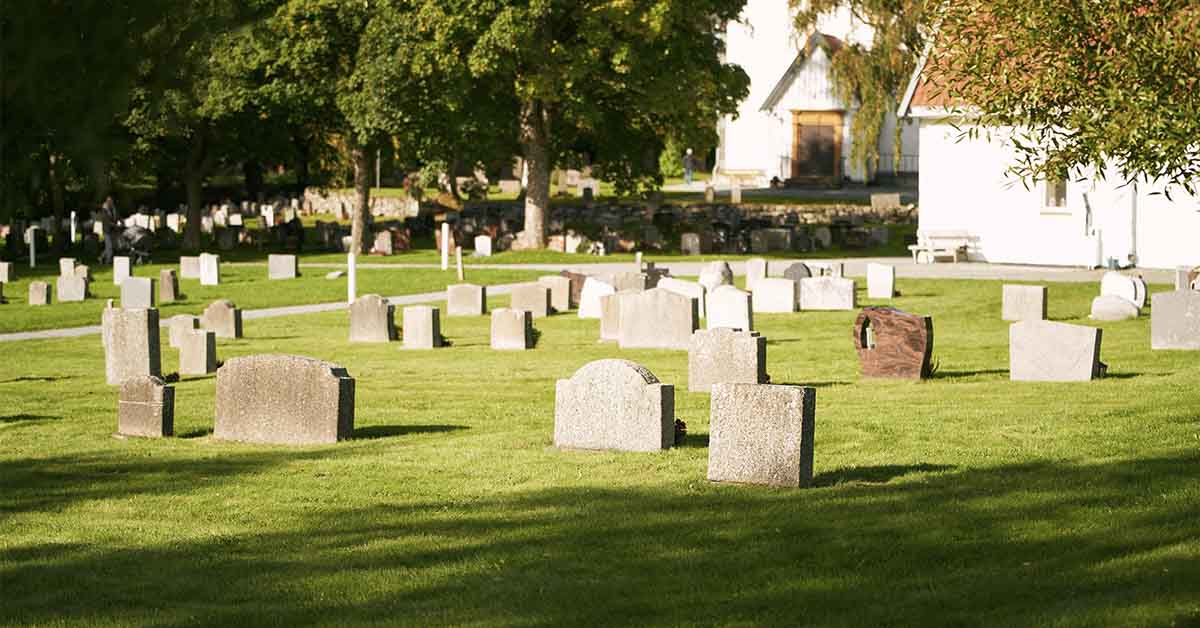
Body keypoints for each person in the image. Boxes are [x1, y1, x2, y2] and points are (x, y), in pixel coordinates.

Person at [99, 196, 119, 264]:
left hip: (113, 230)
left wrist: (121, 222)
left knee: (111, 246)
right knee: (109, 247)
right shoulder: (104, 210)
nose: (110, 202)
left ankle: (101, 257)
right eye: (109, 201)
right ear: (107, 202)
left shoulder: (113, 209)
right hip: (107, 230)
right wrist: (115, 225)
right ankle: (108, 261)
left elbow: (117, 216)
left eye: (111, 201)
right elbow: (106, 221)